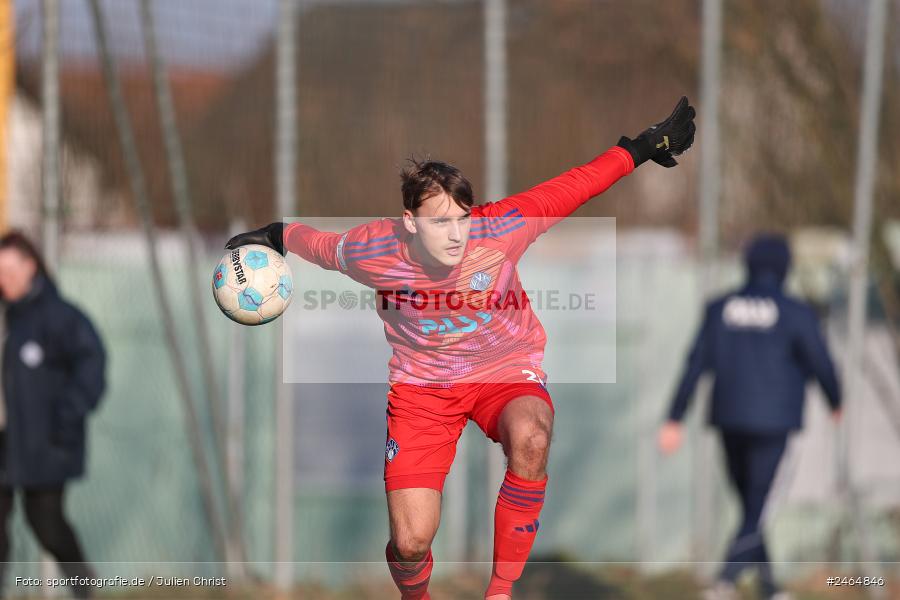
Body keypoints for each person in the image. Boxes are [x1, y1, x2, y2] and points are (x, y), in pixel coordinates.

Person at [228, 97, 696, 599]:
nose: (455, 235)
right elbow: (317, 245)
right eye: (439, 222)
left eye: (462, 218)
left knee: (533, 438)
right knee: (409, 543)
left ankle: (499, 593)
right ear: (410, 222)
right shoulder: (374, 249)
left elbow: (575, 185)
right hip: (422, 392)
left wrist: (644, 146)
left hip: (505, 371)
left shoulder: (500, 229)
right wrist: (273, 236)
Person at [658, 233, 842, 600]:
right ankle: (725, 581)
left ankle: (769, 588)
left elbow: (695, 364)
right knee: (757, 508)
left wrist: (674, 417)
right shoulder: (796, 312)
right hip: (776, 424)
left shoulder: (719, 308)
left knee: (751, 506)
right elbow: (821, 361)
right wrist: (836, 401)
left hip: (729, 420)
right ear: (784, 267)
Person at [0, 232, 105, 599]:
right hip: (3, 439)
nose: (4, 280)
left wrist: (65, 418)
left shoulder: (59, 317)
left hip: (43, 442)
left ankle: (85, 588)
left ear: (31, 267)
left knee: (45, 522)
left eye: (9, 271)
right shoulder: (6, 317)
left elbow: (91, 367)